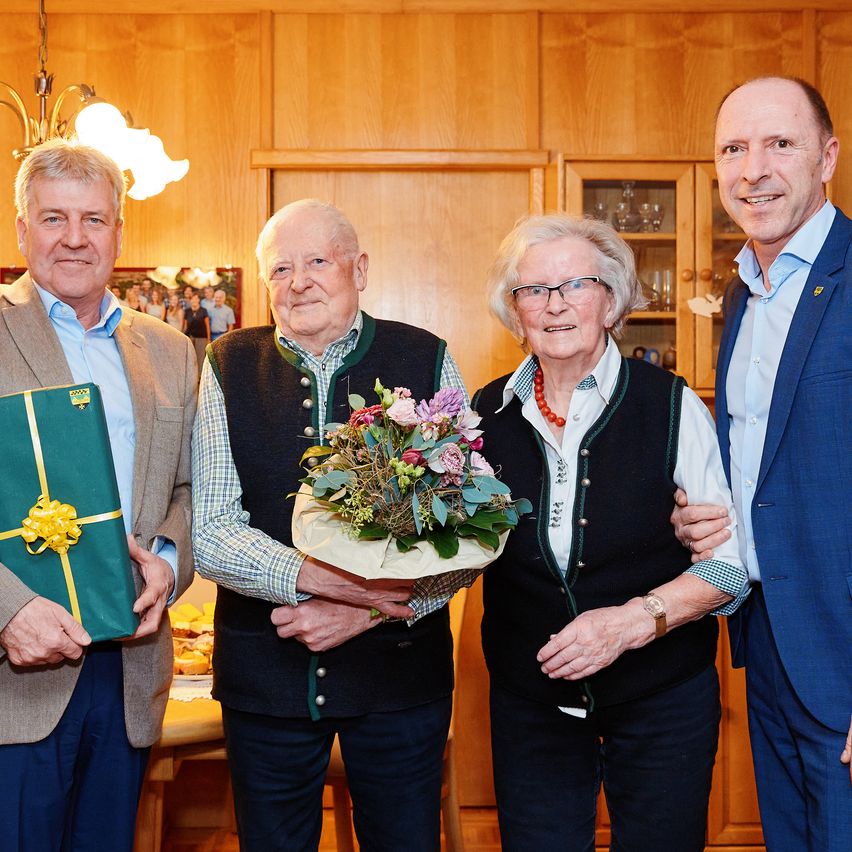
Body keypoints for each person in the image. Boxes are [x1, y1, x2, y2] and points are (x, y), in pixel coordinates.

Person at [192, 198, 474, 851]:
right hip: (264, 681)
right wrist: (322, 582)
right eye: (280, 268)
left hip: (402, 680)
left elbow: (461, 533)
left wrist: (372, 610)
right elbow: (212, 528)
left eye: (317, 261)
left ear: (360, 268)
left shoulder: (425, 360)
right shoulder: (226, 363)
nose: (298, 282)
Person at [473, 213, 748, 852]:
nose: (555, 304)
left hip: (663, 697)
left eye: (576, 284)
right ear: (515, 313)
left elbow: (730, 563)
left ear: (611, 299)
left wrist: (630, 623)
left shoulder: (672, 403)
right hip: (530, 700)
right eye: (534, 290)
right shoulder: (481, 415)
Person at [0, 139, 197, 850]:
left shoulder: (170, 348)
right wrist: (10, 612)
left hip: (131, 673)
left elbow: (188, 487)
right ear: (22, 229)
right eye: (54, 219)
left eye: (94, 219)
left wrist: (170, 562)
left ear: (120, 230)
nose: (75, 239)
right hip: (14, 676)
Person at [672, 76, 852, 850]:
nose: (754, 169)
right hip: (768, 633)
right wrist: (702, 510)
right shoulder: (743, 294)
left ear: (828, 158)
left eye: (781, 144)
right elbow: (764, 464)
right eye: (734, 149)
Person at [182, 291, 210, 372]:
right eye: (192, 299)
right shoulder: (187, 311)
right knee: (190, 358)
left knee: (200, 358)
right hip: (190, 337)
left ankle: (200, 377)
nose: (194, 300)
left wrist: (208, 339)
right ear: (190, 301)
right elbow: (185, 326)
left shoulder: (203, 311)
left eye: (196, 299)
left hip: (201, 338)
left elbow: (207, 325)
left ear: (199, 300)